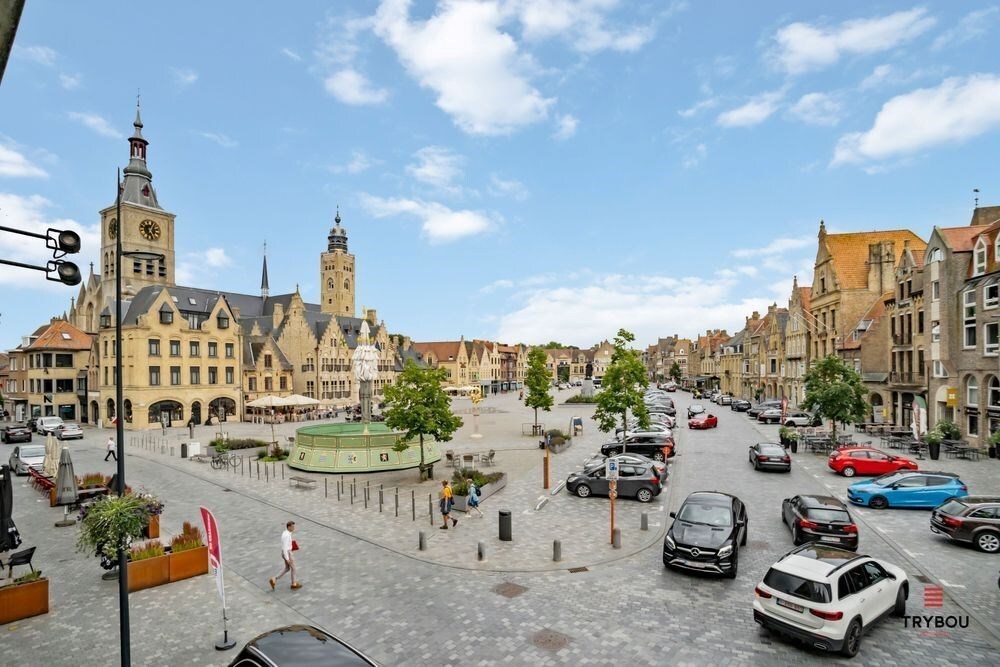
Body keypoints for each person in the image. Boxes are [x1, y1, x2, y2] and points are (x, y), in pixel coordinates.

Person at [269, 521, 301, 590]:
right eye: (292, 527)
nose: (294, 528)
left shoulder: (285, 533)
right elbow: (285, 548)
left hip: (285, 553)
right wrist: (287, 558)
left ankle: (274, 578)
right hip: (288, 553)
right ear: (289, 527)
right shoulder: (286, 535)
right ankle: (294, 584)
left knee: (287, 568)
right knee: (294, 569)